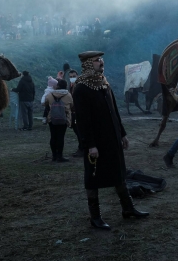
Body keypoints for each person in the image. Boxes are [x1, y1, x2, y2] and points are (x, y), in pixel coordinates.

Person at [73, 51, 149, 230]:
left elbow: (114, 112)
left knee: (119, 174)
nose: (101, 62)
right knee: (93, 178)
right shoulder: (81, 88)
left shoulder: (104, 83)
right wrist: (90, 145)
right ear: (87, 64)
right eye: (97, 60)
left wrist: (122, 134)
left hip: (112, 138)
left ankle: (128, 208)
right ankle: (95, 217)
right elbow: (83, 120)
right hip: (96, 143)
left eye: (101, 59)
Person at [44, 79, 73, 162]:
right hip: (64, 119)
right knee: (61, 137)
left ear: (57, 86)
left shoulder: (50, 94)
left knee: (53, 136)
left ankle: (54, 156)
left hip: (52, 119)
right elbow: (72, 105)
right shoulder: (68, 95)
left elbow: (45, 103)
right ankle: (60, 156)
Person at [68, 69, 84, 157]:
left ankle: (82, 148)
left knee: (79, 131)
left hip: (79, 112)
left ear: (77, 76)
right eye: (70, 77)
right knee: (77, 130)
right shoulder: (70, 86)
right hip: (73, 111)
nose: (72, 78)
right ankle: (81, 147)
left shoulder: (80, 85)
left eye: (74, 76)